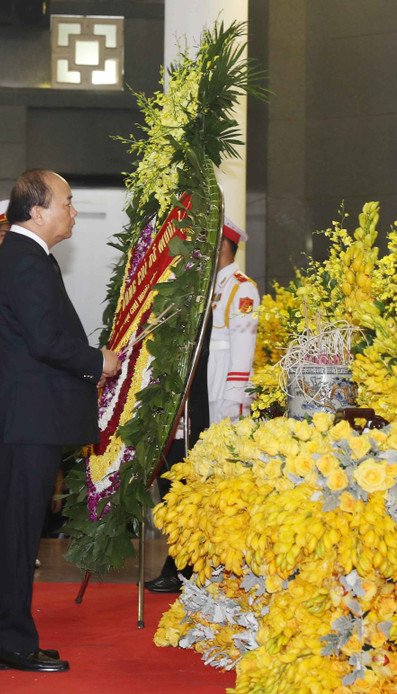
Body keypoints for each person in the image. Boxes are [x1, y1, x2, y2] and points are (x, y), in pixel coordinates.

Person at [0, 169, 119, 673]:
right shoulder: (25, 260)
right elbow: (44, 341)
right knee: (17, 536)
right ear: (37, 210)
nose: (73, 211)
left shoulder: (24, 257)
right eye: (67, 201)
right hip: (25, 422)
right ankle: (11, 644)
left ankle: (6, 639)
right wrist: (96, 360)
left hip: (25, 420)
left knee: (16, 534)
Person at [145, 217, 259, 593]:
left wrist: (230, 410)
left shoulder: (241, 290)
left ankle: (189, 565)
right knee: (175, 478)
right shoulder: (201, 291)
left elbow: (241, 359)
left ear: (223, 247)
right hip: (190, 405)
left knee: (203, 486)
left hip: (216, 406)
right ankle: (181, 559)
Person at [207, 217, 260, 424]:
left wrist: (235, 396)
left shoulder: (241, 287)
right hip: (211, 378)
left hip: (226, 384)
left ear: (222, 244)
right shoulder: (214, 285)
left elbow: (243, 347)